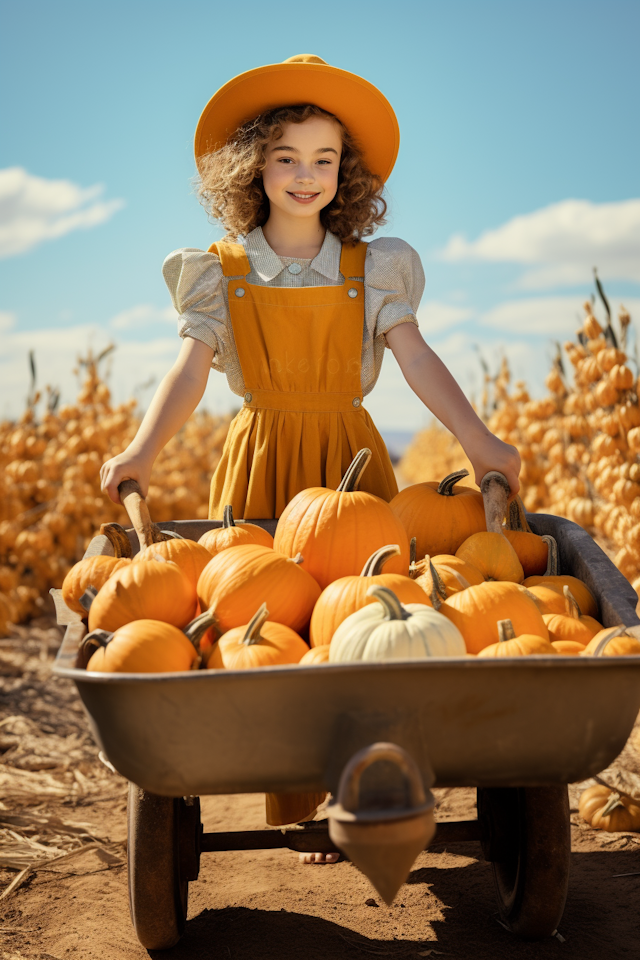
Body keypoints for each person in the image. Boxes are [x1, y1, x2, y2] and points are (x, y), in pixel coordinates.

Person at [101, 55, 520, 860]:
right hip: (260, 454)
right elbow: (191, 371)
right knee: (275, 616)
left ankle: (372, 782)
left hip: (350, 462)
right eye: (286, 156)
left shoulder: (375, 266)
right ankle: (296, 793)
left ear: (346, 172)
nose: (305, 174)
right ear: (253, 167)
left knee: (362, 617)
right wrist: (141, 448)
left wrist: (479, 439)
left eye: (324, 158)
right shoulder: (219, 271)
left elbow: (417, 356)